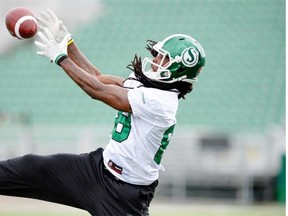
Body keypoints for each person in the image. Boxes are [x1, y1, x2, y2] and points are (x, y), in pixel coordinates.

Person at [0, 9, 205, 216]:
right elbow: (97, 77)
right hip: (97, 170)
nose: (156, 60)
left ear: (179, 69)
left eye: (164, 58)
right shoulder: (150, 87)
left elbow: (97, 90)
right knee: (31, 167)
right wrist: (68, 42)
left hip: (125, 194)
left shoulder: (162, 102)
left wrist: (60, 57)